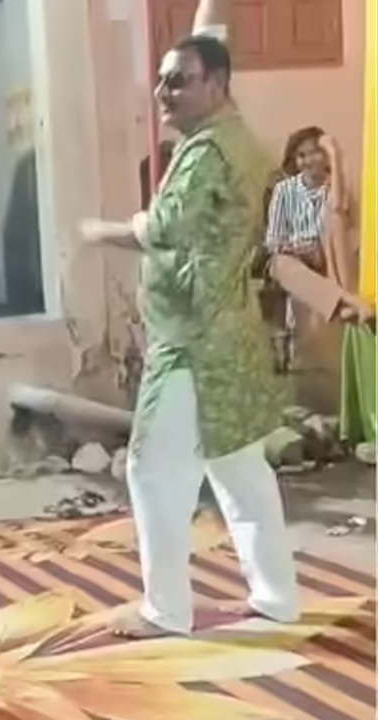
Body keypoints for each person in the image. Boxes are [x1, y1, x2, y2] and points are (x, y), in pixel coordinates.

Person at [80, 0, 299, 639]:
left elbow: (167, 227)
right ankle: (276, 596)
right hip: (228, 332)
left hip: (193, 346)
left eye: (178, 81)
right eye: (161, 80)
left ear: (217, 84)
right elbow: (210, 33)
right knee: (240, 470)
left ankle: (165, 610)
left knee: (152, 470)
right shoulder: (235, 137)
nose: (163, 92)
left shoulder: (209, 152)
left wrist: (103, 231)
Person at [261, 127, 371, 370]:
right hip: (296, 260)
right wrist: (300, 249)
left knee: (337, 223)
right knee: (279, 263)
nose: (309, 160)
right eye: (302, 155)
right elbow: (273, 241)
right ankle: (346, 302)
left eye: (315, 152)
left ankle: (346, 300)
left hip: (331, 257)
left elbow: (340, 212)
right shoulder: (284, 191)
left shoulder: (337, 186)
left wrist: (336, 157)